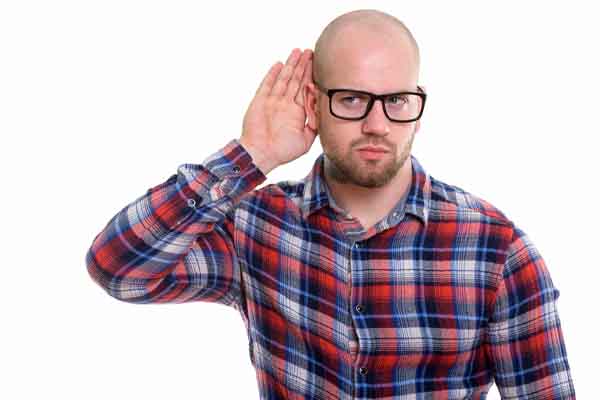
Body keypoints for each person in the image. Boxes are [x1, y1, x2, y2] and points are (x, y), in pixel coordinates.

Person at [85, 9, 576, 399]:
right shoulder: (257, 227)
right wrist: (251, 155)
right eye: (351, 99)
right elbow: (119, 269)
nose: (377, 124)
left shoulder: (497, 250)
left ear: (418, 107)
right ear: (313, 103)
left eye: (397, 100)